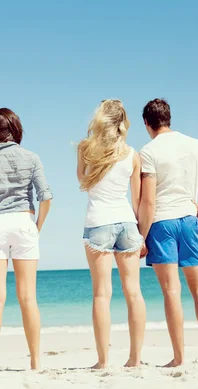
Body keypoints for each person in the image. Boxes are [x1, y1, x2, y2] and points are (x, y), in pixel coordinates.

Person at [137, 98, 198, 367]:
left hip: (161, 224)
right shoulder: (195, 145)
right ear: (169, 119)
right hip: (189, 220)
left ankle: (179, 358)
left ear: (147, 123)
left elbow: (148, 202)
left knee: (172, 291)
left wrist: (140, 236)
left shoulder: (148, 151)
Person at [0, 108, 53, 373]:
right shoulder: (31, 157)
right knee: (28, 297)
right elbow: (46, 197)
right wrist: (36, 226)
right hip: (24, 222)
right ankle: (36, 362)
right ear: (16, 130)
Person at [77, 99, 147, 369]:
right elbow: (137, 199)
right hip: (127, 223)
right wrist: (141, 235)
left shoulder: (86, 148)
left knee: (101, 294)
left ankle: (103, 361)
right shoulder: (132, 154)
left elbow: (82, 182)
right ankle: (135, 359)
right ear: (122, 122)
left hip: (98, 222)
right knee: (134, 293)